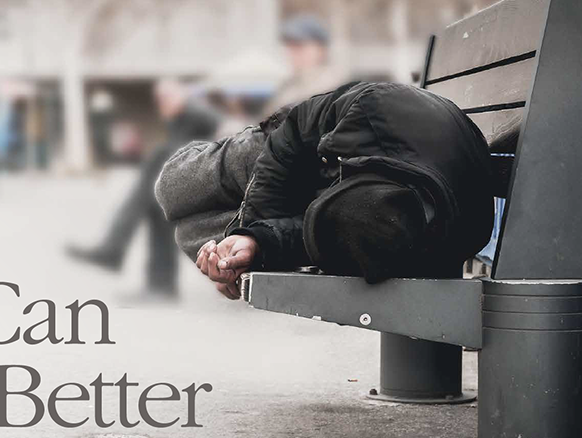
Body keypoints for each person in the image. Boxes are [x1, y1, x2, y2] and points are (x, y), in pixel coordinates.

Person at [156, 82, 494, 299]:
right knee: (172, 186)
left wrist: (255, 247)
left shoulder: (383, 238)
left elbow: (313, 238)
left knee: (191, 232)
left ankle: (232, 247)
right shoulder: (377, 110)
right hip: (300, 150)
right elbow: (295, 127)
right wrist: (256, 225)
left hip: (373, 191)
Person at [68, 79, 220, 298]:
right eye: (160, 100)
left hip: (207, 184)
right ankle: (158, 284)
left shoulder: (196, 114)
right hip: (186, 183)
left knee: (155, 174)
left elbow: (205, 138)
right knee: (156, 204)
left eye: (166, 98)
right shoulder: (181, 120)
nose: (162, 104)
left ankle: (116, 250)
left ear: (182, 96)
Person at [262, 14, 346, 115]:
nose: (293, 53)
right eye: (290, 47)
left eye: (299, 46)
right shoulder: (287, 87)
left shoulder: (334, 89)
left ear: (321, 50)